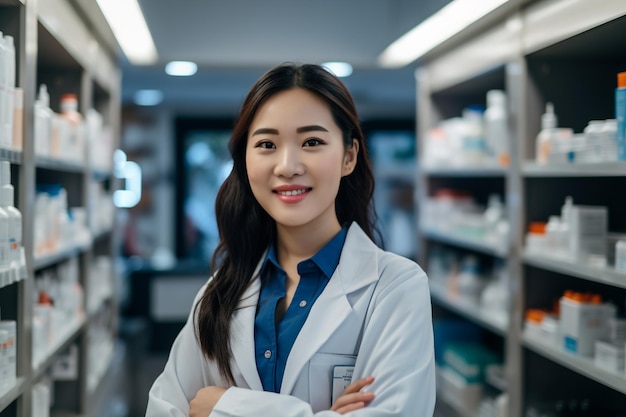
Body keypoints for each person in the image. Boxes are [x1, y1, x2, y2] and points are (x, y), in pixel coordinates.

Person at [146, 62, 436, 417]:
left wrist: (224, 406)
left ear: (349, 156)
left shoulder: (396, 287)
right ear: (245, 161)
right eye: (267, 144)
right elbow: (164, 409)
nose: (287, 166)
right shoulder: (219, 293)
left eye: (312, 141)